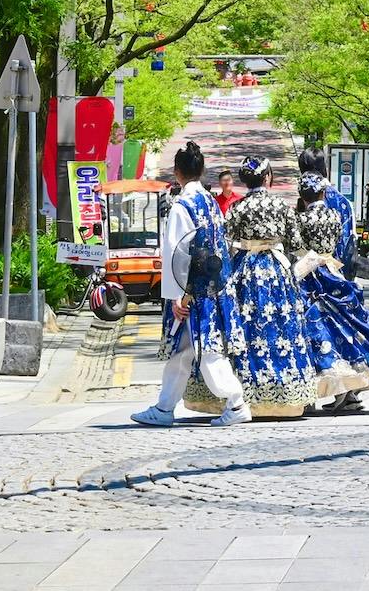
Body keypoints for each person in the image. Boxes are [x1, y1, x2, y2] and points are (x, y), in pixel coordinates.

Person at [186, 158, 315, 418]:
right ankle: (286, 390)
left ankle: (245, 393)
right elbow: (297, 245)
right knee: (282, 326)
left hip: (244, 270)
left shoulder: (239, 206)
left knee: (243, 328)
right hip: (276, 271)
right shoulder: (281, 205)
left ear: (245, 180)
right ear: (267, 176)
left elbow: (224, 239)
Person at [133, 141, 250, 427]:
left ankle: (235, 402)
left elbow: (176, 253)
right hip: (213, 286)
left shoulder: (181, 206)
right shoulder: (210, 201)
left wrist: (178, 295)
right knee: (185, 350)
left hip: (192, 291)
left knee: (206, 350)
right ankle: (164, 407)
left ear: (177, 172)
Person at [297, 171, 369, 407]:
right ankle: (353, 385)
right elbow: (345, 245)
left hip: (309, 275)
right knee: (349, 327)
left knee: (314, 329)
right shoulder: (335, 215)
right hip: (333, 272)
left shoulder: (301, 220)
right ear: (323, 192)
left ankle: (321, 388)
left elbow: (296, 248)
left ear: (303, 197)